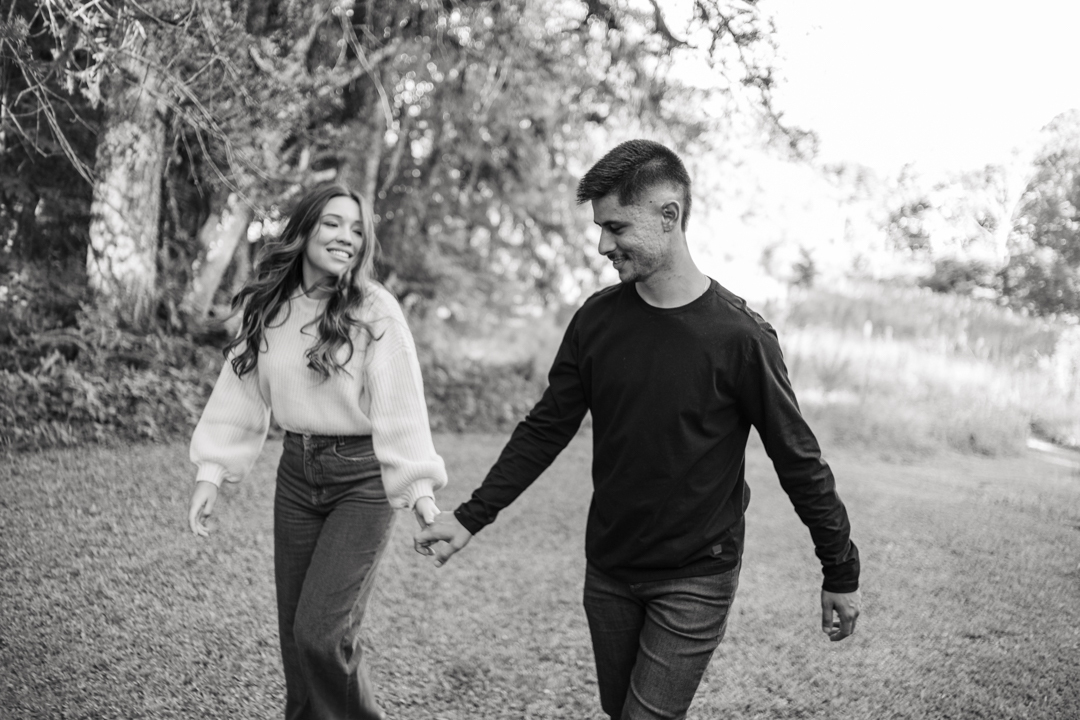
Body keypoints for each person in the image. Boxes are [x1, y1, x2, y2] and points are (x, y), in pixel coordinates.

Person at [415, 140, 861, 720]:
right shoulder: (597, 320)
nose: (603, 245)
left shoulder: (740, 338)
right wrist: (471, 517)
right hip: (609, 568)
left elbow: (797, 458)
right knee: (618, 709)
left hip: (696, 575)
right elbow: (546, 428)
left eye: (616, 227)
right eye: (600, 228)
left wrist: (840, 569)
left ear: (668, 215)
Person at [186, 184, 446, 720]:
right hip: (296, 475)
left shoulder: (374, 308)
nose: (346, 237)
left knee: (321, 634)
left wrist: (420, 492)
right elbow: (240, 392)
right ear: (304, 229)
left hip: (361, 482)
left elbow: (400, 403)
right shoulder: (269, 306)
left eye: (357, 229)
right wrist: (211, 473)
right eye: (332, 223)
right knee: (294, 637)